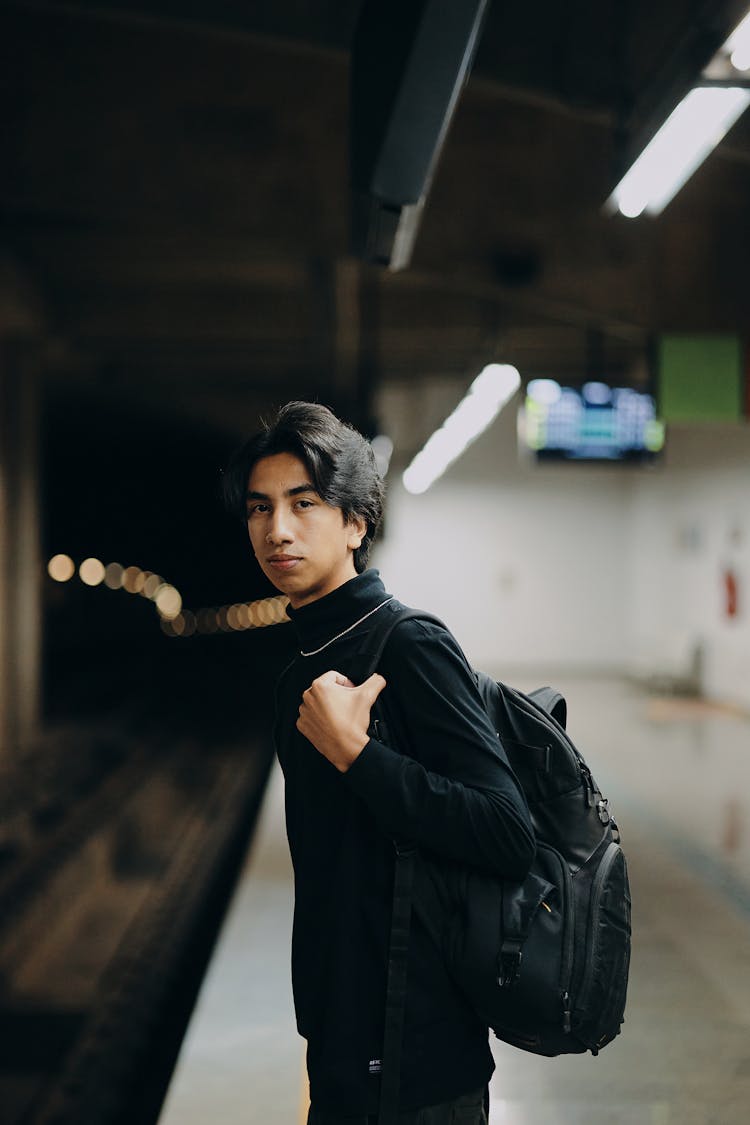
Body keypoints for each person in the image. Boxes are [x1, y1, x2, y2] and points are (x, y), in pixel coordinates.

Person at [223, 401, 535, 1125]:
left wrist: (358, 756)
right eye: (260, 508)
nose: (279, 529)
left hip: (418, 1059)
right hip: (341, 1042)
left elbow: (504, 830)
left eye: (306, 504)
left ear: (357, 523)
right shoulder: (298, 669)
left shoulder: (408, 645)